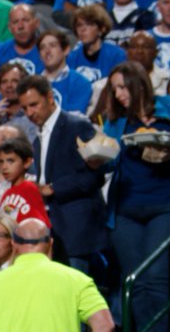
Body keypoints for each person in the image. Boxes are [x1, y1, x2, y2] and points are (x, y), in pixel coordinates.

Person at [100, 62, 170, 332]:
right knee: (136, 281)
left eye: (124, 87)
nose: (120, 95)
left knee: (158, 277)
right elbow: (107, 162)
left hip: (168, 205)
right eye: (115, 89)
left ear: (139, 85)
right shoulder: (116, 123)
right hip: (126, 210)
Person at [16, 74, 107, 274]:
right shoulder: (38, 135)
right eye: (24, 108)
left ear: (49, 98)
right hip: (53, 228)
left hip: (76, 230)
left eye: (34, 105)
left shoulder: (77, 126)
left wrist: (53, 188)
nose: (29, 113)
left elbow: (95, 175)